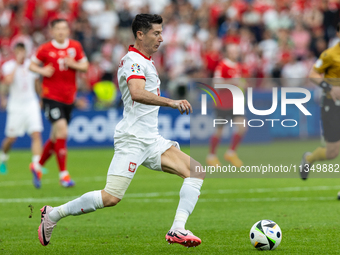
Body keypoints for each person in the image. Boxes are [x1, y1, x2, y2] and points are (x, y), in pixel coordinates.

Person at [37, 14, 204, 248]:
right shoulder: (133, 61)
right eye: (156, 33)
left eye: (161, 33)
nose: (161, 38)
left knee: (195, 171)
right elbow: (136, 92)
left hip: (151, 139)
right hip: (133, 139)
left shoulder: (145, 60)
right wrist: (171, 102)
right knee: (111, 197)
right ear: (140, 34)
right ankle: (53, 214)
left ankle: (177, 229)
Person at [29, 18, 89, 188]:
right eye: (58, 29)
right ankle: (64, 175)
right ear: (52, 31)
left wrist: (74, 64)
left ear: (68, 30)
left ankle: (37, 166)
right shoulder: (45, 48)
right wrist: (42, 70)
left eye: (64, 28)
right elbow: (32, 65)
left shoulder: (75, 46)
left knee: (56, 137)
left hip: (69, 98)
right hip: (50, 96)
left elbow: (85, 66)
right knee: (62, 129)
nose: (61, 31)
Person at [300, 22, 340, 187]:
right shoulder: (329, 55)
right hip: (332, 105)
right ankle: (309, 158)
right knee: (332, 152)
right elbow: (313, 74)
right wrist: (329, 87)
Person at [0, 43, 43, 176]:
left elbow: (37, 83)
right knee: (11, 138)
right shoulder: (8, 66)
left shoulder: (31, 65)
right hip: (16, 105)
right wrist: (17, 65)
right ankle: (3, 159)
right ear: (14, 52)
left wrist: (41, 98)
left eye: (23, 51)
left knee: (36, 134)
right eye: (18, 51)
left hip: (31, 103)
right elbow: (8, 81)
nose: (21, 54)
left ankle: (36, 165)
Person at [206, 43, 248, 168]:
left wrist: (243, 85)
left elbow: (242, 82)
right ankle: (211, 156)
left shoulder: (239, 66)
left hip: (236, 103)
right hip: (223, 103)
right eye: (232, 51)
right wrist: (233, 82)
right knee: (219, 131)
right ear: (227, 53)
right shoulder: (222, 65)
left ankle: (231, 152)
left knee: (242, 127)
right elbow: (216, 83)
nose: (235, 53)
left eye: (236, 50)